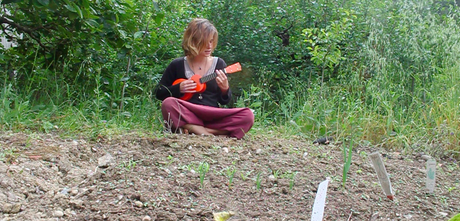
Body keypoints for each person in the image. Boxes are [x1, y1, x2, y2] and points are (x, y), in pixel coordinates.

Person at [155, 18, 254, 139]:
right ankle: (212, 133)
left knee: (247, 115)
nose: (209, 46)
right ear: (193, 41)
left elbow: (224, 101)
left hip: (212, 114)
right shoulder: (177, 64)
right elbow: (159, 93)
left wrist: (225, 89)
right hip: (188, 112)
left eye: (212, 41)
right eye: (205, 41)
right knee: (168, 103)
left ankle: (195, 129)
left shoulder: (219, 64)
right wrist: (178, 88)